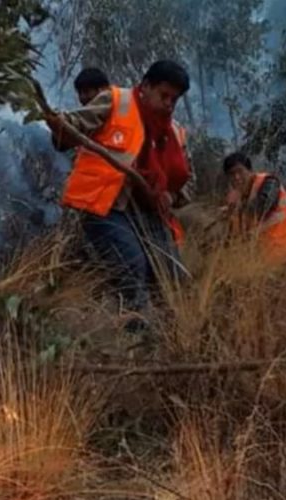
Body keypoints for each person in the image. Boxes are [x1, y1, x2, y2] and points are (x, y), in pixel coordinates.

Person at [47, 59, 192, 311]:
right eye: (164, 95)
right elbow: (67, 129)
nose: (169, 104)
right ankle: (138, 333)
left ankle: (172, 334)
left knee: (171, 273)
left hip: (151, 213)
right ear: (145, 86)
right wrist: (57, 123)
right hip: (106, 206)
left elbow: (187, 182)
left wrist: (171, 195)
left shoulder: (175, 133)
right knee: (131, 265)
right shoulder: (116, 101)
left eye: (174, 100)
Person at [221, 152, 286, 265]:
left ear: (249, 171)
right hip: (270, 263)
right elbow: (233, 238)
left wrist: (237, 208)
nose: (236, 177)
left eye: (240, 171)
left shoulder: (269, 182)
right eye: (231, 174)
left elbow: (262, 207)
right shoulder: (237, 201)